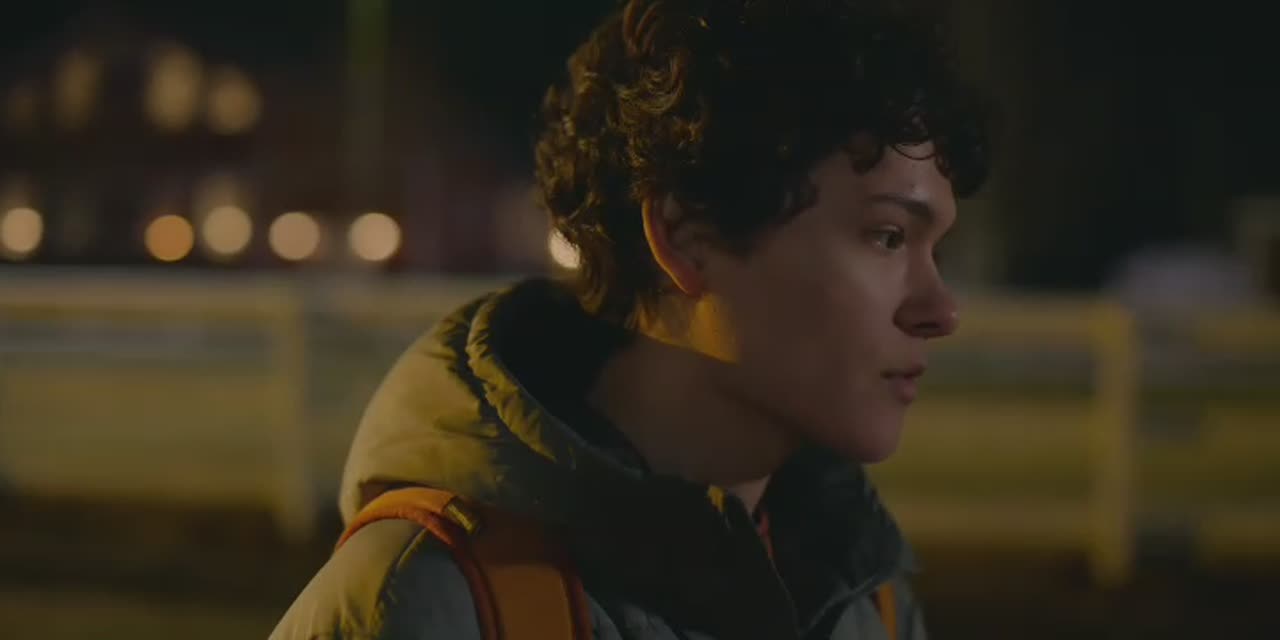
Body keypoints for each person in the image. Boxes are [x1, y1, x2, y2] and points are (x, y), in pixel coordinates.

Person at [272, 0, 989, 637]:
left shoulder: (865, 600)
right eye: (887, 237)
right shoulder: (430, 605)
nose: (941, 310)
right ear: (685, 235)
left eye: (935, 248)